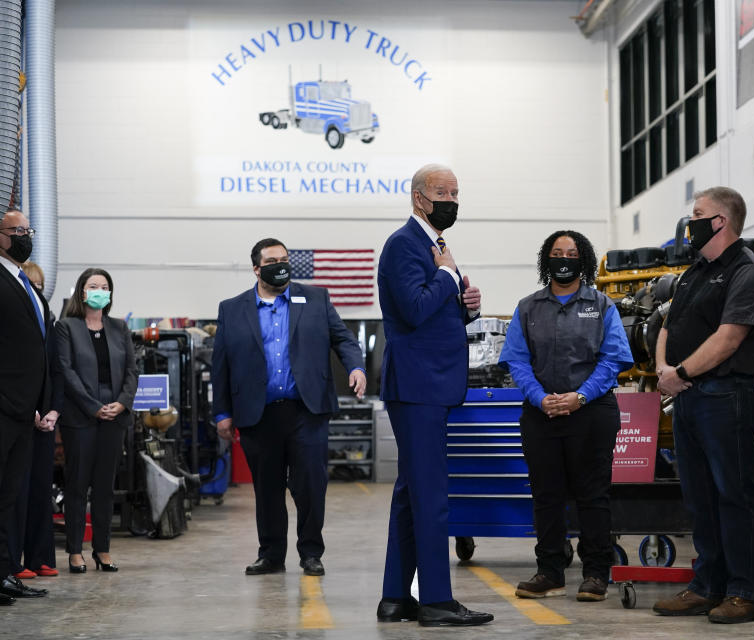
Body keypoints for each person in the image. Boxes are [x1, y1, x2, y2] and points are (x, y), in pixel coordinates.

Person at [376, 164, 492, 627]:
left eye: (457, 193)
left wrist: (468, 305)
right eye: (444, 192)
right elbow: (416, 308)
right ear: (419, 198)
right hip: (419, 385)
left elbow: (438, 311)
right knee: (431, 495)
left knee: (411, 491)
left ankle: (395, 597)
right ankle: (437, 601)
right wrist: (446, 279)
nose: (453, 201)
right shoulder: (405, 244)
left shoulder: (435, 245)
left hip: (430, 383)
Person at [652, 187, 754, 623]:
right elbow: (667, 324)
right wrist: (666, 370)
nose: (691, 222)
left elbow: (729, 338)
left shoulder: (748, 271)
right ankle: (707, 586)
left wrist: (679, 375)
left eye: (697, 214)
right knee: (699, 497)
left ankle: (744, 593)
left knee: (733, 494)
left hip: (726, 397)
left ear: (720, 221)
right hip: (688, 398)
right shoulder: (693, 272)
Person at [212, 238, 366, 578]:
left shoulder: (315, 298)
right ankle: (271, 555)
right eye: (272, 260)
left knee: (310, 486)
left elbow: (342, 338)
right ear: (257, 268)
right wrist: (222, 412)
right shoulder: (232, 309)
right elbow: (220, 364)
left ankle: (311, 552)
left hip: (306, 411)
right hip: (258, 414)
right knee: (267, 490)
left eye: (284, 259)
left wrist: (356, 367)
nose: (280, 264)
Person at [499, 230, 633, 602]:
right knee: (546, 496)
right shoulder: (528, 307)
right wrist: (540, 398)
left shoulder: (602, 305)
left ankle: (595, 574)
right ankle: (550, 571)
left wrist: (581, 396)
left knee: (593, 495)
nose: (563, 258)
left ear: (583, 260)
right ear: (546, 259)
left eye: (571, 253)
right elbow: (516, 359)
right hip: (542, 415)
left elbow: (614, 359)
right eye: (557, 252)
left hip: (591, 413)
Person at [57, 268, 138, 573]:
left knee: (105, 487)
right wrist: (93, 406)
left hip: (115, 418)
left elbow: (132, 370)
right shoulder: (67, 327)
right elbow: (66, 371)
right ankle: (75, 550)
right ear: (82, 292)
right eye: (94, 286)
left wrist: (122, 403)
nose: (100, 291)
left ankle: (102, 549)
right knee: (78, 485)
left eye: (105, 287)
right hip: (81, 417)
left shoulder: (119, 328)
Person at [0, 210, 52, 603]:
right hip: (5, 407)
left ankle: (5, 571)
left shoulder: (24, 281)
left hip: (23, 412)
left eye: (27, 231)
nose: (24, 237)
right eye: (17, 231)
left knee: (9, 496)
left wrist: (40, 403)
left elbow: (39, 347)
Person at [8, 261, 62, 580]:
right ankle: (14, 561)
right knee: (17, 492)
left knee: (42, 489)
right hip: (20, 417)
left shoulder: (48, 321)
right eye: (30, 285)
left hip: (45, 422)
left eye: (39, 286)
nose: (36, 291)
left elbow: (56, 370)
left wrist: (54, 411)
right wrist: (32, 411)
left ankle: (40, 555)